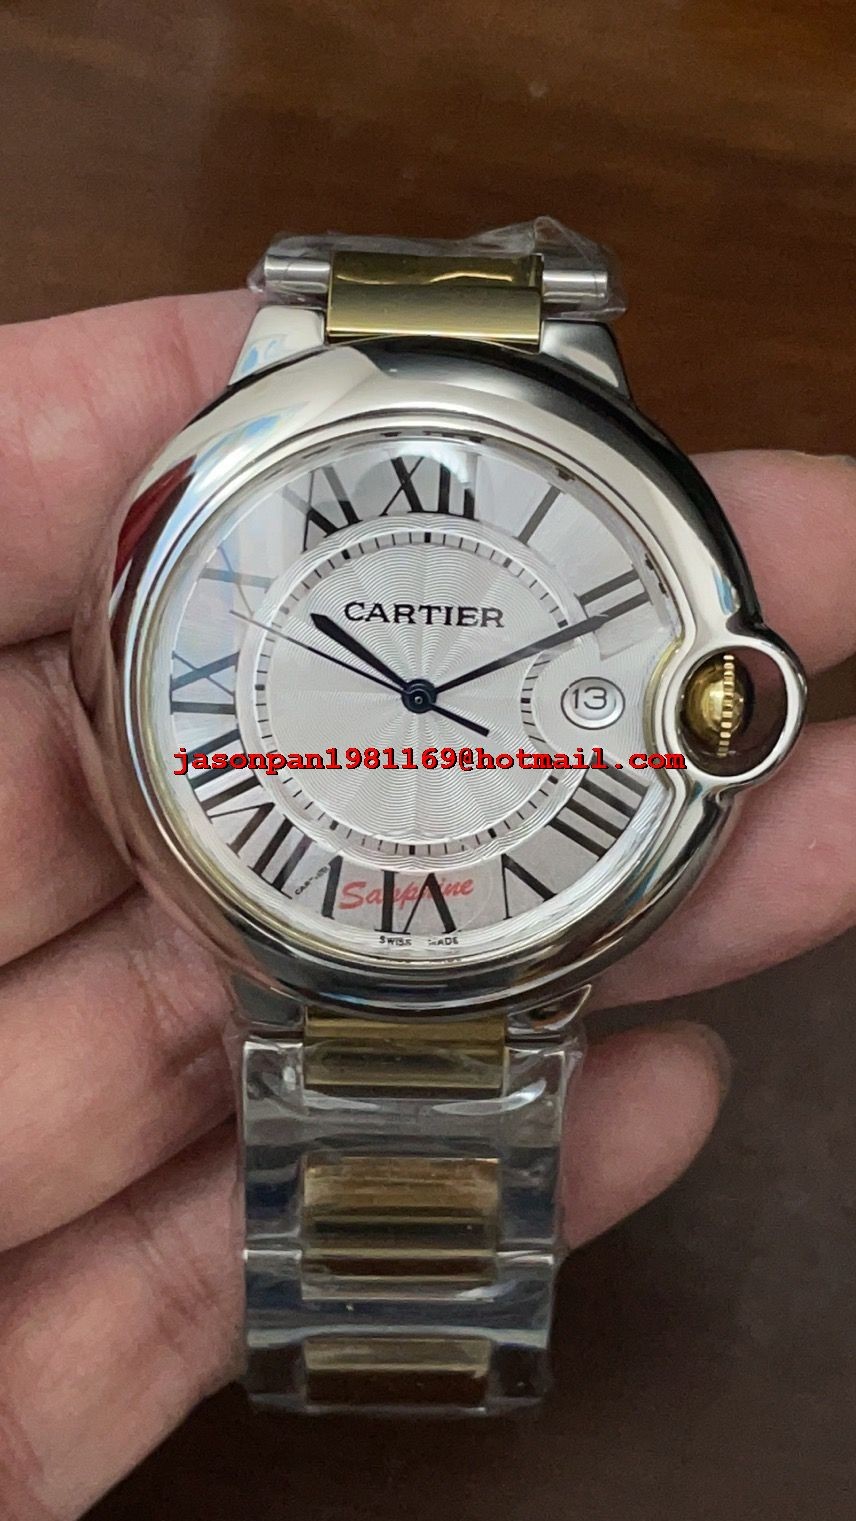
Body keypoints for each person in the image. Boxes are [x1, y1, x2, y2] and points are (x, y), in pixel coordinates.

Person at [0, 292, 854, 1520]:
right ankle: (388, 1336)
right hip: (316, 939)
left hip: (477, 947)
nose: (418, 692)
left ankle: (399, 1337)